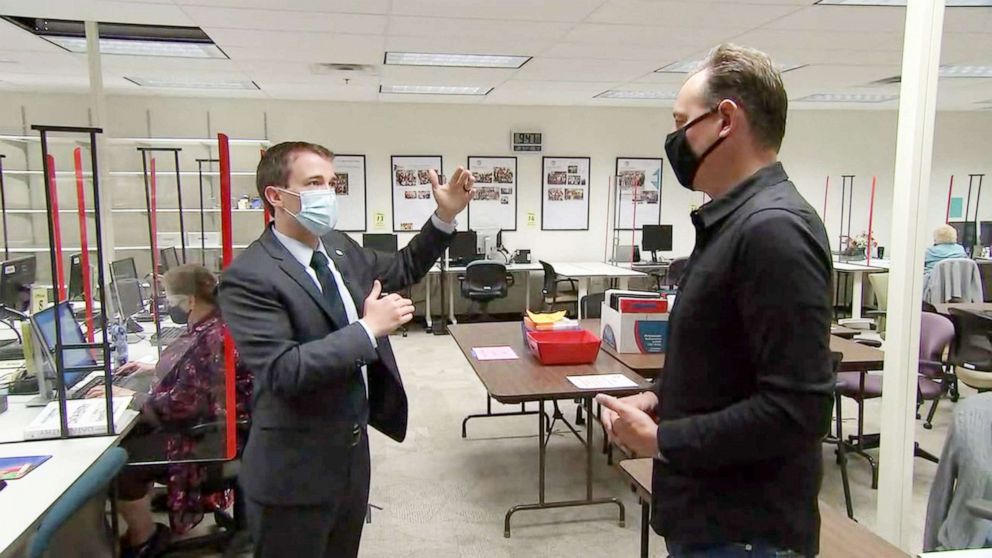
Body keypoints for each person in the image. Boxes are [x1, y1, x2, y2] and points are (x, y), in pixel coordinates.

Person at [597, 44, 835, 558]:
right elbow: (729, 366)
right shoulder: (732, 222)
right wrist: (661, 400)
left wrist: (662, 441)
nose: (675, 139)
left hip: (745, 534)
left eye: (683, 122)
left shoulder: (773, 231)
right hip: (712, 521)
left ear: (726, 119)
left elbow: (798, 410)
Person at [218, 141, 473, 558]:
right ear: (275, 196)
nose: (327, 194)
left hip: (351, 455)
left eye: (331, 183)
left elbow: (404, 266)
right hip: (294, 468)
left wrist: (444, 216)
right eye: (314, 183)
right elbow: (284, 371)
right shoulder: (249, 277)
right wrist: (367, 329)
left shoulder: (338, 247)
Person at [89, 264, 253, 558]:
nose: (169, 305)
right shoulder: (217, 325)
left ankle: (145, 538)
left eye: (170, 298)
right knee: (136, 436)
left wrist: (132, 396)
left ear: (190, 300)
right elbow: (202, 376)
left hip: (212, 439)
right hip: (224, 427)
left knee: (125, 461)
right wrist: (157, 370)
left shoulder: (212, 337)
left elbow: (183, 405)